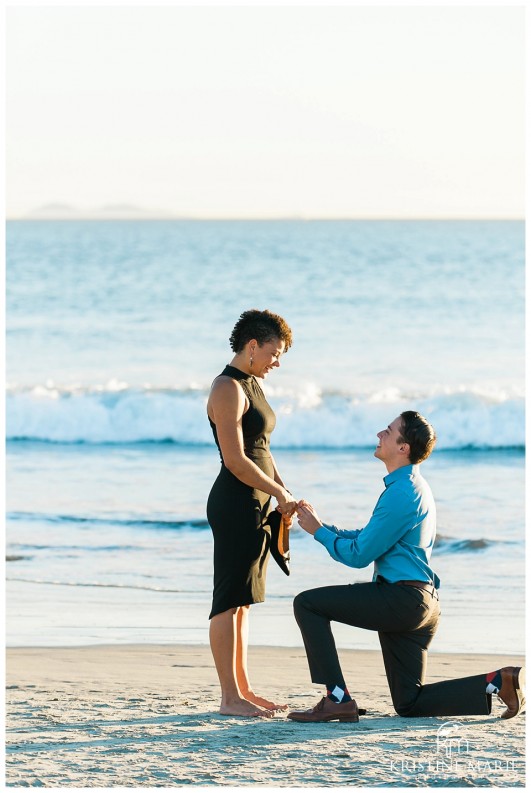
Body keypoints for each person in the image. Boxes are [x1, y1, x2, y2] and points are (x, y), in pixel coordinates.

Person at [288, 411, 525, 723]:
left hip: (403, 601)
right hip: (420, 603)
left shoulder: (403, 492)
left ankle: (337, 698)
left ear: (403, 448)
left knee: (307, 604)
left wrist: (319, 533)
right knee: (409, 704)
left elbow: (358, 556)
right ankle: (498, 682)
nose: (379, 434)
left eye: (388, 431)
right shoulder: (410, 486)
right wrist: (320, 525)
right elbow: (368, 537)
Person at [207, 309, 297, 717]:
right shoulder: (227, 387)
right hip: (235, 501)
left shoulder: (253, 384)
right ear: (252, 345)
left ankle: (243, 689)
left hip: (258, 501)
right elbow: (236, 460)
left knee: (243, 600)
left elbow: (262, 448)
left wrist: (284, 490)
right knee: (227, 600)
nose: (277, 361)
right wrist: (276, 491)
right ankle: (229, 698)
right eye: (274, 353)